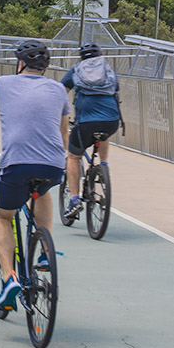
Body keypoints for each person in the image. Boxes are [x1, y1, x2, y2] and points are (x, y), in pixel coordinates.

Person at [0, 38, 71, 313]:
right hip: (53, 165)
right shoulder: (58, 89)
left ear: (20, 63)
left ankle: (10, 278)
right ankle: (45, 250)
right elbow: (63, 132)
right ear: (45, 67)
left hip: (17, 164)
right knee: (41, 192)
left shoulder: (3, 83)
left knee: (1, 216)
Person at [61, 43, 122, 219]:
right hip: (111, 121)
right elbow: (116, 89)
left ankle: (74, 200)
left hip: (85, 122)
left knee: (73, 157)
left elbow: (60, 92)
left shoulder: (76, 70)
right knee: (103, 134)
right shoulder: (108, 71)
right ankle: (104, 166)